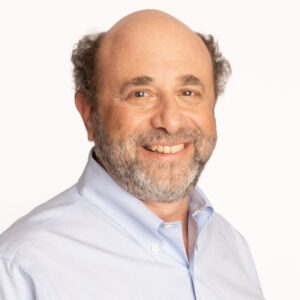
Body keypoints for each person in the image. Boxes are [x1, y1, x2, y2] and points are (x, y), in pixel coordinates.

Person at [0, 9, 265, 300]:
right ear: (88, 113)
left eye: (188, 93)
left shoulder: (231, 248)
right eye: (140, 94)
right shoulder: (21, 269)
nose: (171, 121)